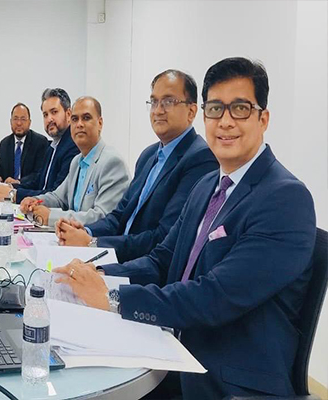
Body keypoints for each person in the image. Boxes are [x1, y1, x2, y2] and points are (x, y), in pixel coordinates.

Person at [54, 57, 316, 399]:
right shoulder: (207, 186)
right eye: (216, 109)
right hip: (173, 349)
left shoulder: (285, 198)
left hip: (223, 380)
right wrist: (95, 275)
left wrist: (113, 297)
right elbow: (162, 260)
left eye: (240, 109)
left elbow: (214, 295)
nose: (225, 121)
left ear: (263, 118)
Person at [55, 70, 218, 262]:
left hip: (145, 267)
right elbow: (119, 216)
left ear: (191, 112)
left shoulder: (200, 158)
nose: (158, 110)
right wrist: (84, 230)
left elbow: (163, 237)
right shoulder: (148, 155)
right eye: (154, 102)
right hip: (116, 255)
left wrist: (93, 243)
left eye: (168, 101)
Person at [19, 96, 129, 227]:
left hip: (93, 239)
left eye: (86, 118)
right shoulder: (77, 162)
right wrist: (36, 201)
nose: (79, 124)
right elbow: (58, 198)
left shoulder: (112, 163)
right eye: (75, 119)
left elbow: (102, 217)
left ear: (100, 123)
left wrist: (51, 216)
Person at [0, 88, 79, 203]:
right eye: (45, 115)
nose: (49, 119)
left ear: (68, 114)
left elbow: (56, 195)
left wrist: (14, 194)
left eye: (54, 112)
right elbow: (38, 182)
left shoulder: (73, 146)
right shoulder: (52, 147)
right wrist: (10, 187)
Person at [0, 103, 49, 184]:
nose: (19, 123)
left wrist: (18, 182)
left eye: (23, 119)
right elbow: (0, 171)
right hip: (7, 190)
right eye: (15, 119)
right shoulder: (4, 144)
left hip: (29, 190)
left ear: (29, 122)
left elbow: (39, 174)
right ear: (10, 122)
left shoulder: (40, 142)